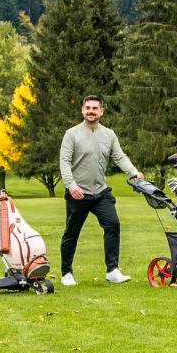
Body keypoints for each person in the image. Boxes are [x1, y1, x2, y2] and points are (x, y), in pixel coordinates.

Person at [57, 94, 142, 286]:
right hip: (78, 193)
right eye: (88, 108)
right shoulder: (72, 134)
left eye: (95, 108)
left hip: (101, 192)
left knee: (113, 225)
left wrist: (134, 172)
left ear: (101, 111)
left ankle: (112, 270)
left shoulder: (109, 135)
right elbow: (64, 162)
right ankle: (66, 273)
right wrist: (71, 185)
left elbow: (119, 156)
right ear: (82, 110)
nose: (91, 111)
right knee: (72, 232)